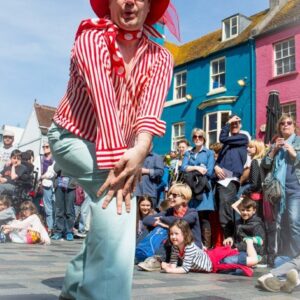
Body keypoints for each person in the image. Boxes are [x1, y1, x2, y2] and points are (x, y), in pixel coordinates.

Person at [47, 0, 174, 299]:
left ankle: (75, 286)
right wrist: (122, 166)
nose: (130, 2)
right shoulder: (91, 38)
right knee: (120, 201)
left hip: (120, 146)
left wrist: (140, 149)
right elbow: (104, 103)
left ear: (150, 6)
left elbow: (149, 112)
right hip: (71, 138)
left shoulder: (160, 58)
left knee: (109, 208)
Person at [261, 114, 300, 258]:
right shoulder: (275, 144)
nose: (286, 125)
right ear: (279, 127)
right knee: (281, 224)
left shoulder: (298, 142)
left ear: (294, 125)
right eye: (282, 123)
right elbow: (265, 164)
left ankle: (297, 258)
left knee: (295, 223)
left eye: (289, 123)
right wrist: (273, 150)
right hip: (278, 191)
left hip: (296, 189)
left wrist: (294, 154)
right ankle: (286, 257)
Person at [214, 114, 248, 239]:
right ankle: (229, 240)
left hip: (230, 179)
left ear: (240, 125)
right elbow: (219, 161)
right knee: (223, 210)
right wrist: (216, 166)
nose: (234, 125)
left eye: (236, 123)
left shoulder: (242, 138)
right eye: (232, 124)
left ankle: (230, 240)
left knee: (226, 211)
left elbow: (222, 138)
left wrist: (227, 123)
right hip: (221, 180)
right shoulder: (227, 145)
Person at [181, 128, 214, 248]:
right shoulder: (188, 153)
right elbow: (183, 168)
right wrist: (198, 168)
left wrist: (191, 168)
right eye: (195, 137)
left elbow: (209, 172)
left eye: (200, 137)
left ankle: (206, 247)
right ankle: (193, 246)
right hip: (190, 189)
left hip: (203, 189)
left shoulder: (209, 153)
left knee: (204, 218)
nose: (197, 139)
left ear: (204, 138)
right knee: (191, 217)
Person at [143, 183, 202, 248]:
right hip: (175, 249)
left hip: (192, 250)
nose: (170, 197)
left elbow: (182, 222)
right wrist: (162, 224)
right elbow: (146, 220)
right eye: (169, 194)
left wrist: (163, 220)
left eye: (174, 195)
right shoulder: (169, 211)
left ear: (184, 198)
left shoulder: (192, 212)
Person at [223, 196, 265, 267]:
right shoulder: (239, 222)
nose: (245, 213)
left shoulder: (256, 225)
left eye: (248, 210)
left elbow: (259, 245)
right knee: (220, 257)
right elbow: (238, 236)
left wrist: (238, 248)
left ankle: (255, 262)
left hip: (251, 253)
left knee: (227, 261)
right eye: (243, 210)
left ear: (254, 211)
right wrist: (231, 238)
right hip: (239, 251)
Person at [51, 167, 77, 241]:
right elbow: (55, 168)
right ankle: (59, 231)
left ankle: (69, 231)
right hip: (60, 183)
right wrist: (62, 161)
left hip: (71, 184)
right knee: (59, 209)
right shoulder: (59, 159)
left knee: (69, 210)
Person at [40, 142, 55, 235]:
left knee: (56, 206)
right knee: (47, 207)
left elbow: (52, 172)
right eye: (43, 146)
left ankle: (55, 227)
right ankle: (50, 227)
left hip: (55, 184)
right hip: (45, 184)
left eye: (47, 146)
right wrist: (42, 177)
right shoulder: (40, 158)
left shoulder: (55, 158)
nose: (45, 148)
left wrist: (43, 176)